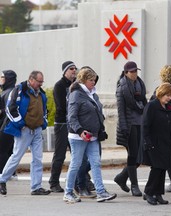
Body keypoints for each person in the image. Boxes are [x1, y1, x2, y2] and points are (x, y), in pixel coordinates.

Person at [64, 66, 116, 203]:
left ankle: (101, 191)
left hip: (93, 136)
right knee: (76, 164)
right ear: (83, 80)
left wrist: (101, 130)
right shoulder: (76, 94)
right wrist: (80, 131)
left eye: (94, 80)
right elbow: (72, 117)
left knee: (96, 163)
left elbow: (98, 113)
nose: (94, 82)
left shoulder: (92, 93)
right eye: (91, 80)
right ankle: (68, 192)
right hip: (78, 136)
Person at [0, 71, 51, 196]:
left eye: (42, 82)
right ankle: (1, 180)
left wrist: (43, 122)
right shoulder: (19, 90)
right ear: (31, 79)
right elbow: (10, 108)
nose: (41, 84)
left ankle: (36, 187)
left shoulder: (41, 94)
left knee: (37, 159)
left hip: (37, 130)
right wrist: (20, 124)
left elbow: (44, 109)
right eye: (39, 81)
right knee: (16, 156)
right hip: (25, 130)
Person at [142, 82, 171, 205]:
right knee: (157, 168)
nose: (169, 98)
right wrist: (147, 142)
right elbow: (145, 125)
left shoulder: (169, 108)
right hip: (153, 142)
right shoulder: (152, 106)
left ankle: (158, 194)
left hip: (166, 143)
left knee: (163, 168)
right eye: (167, 95)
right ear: (161, 93)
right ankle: (148, 192)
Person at [114, 61, 147, 197]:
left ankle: (121, 177)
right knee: (133, 155)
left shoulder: (140, 84)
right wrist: (123, 128)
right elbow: (121, 111)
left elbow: (144, 102)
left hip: (140, 123)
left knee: (140, 156)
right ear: (126, 72)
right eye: (132, 72)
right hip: (129, 125)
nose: (134, 74)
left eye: (135, 71)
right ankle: (134, 185)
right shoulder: (122, 87)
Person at [149, 65, 171, 193]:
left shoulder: (161, 89)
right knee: (169, 155)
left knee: (165, 156)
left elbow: (152, 104)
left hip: (163, 126)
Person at [49, 61, 77, 193]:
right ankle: (54, 182)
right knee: (60, 155)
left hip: (75, 124)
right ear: (65, 71)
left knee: (78, 154)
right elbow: (61, 106)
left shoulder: (77, 84)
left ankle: (83, 181)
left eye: (75, 69)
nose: (74, 71)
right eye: (71, 69)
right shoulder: (59, 86)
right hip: (62, 124)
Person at [0, 70, 17, 174]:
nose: (1, 79)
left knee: (2, 150)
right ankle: (9, 172)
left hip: (6, 126)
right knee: (9, 151)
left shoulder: (9, 92)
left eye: (3, 77)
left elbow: (9, 109)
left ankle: (3, 173)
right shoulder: (8, 91)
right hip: (7, 126)